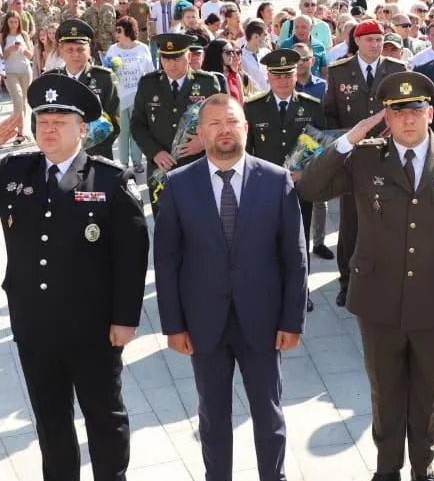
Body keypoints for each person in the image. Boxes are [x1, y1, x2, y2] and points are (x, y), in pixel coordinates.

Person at [0, 75, 149, 481]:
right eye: (42, 121)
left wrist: (125, 318)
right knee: (51, 421)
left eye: (59, 122)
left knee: (104, 418)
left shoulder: (109, 179)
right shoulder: (17, 171)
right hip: (35, 325)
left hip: (93, 328)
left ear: (82, 129)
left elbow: (132, 256)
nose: (48, 130)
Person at [300, 72, 434, 481]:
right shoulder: (364, 158)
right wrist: (348, 140)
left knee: (428, 388)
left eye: (415, 110)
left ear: (430, 112)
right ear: (384, 117)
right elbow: (309, 186)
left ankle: (424, 471)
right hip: (379, 296)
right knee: (385, 387)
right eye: (397, 112)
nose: (408, 119)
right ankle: (386, 471)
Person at [154, 93, 306, 481]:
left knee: (268, 409)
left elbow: (295, 258)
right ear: (200, 133)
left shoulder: (275, 180)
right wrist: (173, 325)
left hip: (262, 318)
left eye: (232, 121)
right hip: (205, 321)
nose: (224, 129)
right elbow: (166, 260)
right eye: (214, 123)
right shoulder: (179, 184)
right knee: (212, 411)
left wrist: (292, 319)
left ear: (246, 128)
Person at [321, 20, 408, 306]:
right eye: (369, 39)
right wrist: (344, 145)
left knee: (390, 220)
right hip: (353, 159)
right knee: (351, 224)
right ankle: (348, 282)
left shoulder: (397, 70)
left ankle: (387, 279)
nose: (375, 44)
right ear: (357, 41)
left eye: (379, 39)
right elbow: (330, 114)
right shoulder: (339, 70)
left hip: (388, 157)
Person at [243, 48, 324, 301]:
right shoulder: (253, 107)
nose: (283, 81)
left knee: (299, 242)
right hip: (264, 187)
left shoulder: (311, 106)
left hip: (300, 187)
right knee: (266, 241)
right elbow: (247, 150)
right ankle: (270, 288)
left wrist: (305, 172)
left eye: (287, 75)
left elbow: (321, 147)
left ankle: (301, 292)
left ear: (294, 75)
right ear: (268, 76)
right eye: (277, 76)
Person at [130, 33, 226, 210]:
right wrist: (155, 152)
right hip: (161, 168)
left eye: (177, 58)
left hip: (197, 166)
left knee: (198, 226)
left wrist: (204, 142)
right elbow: (137, 125)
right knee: (164, 225)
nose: (171, 64)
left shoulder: (206, 83)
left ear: (188, 56)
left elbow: (221, 122)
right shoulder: (148, 84)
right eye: (166, 59)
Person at [41, 19, 121, 158]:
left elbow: (114, 121)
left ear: (89, 50)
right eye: (70, 50)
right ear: (61, 51)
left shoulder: (104, 78)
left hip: (97, 156)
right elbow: (38, 121)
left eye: (80, 49)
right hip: (61, 157)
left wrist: (93, 149)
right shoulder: (50, 80)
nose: (75, 54)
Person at [104, 16, 156, 173]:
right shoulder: (113, 49)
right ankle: (124, 163)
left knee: (137, 130)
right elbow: (106, 72)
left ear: (128, 30)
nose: (116, 33)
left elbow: (150, 70)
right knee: (123, 130)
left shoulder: (142, 48)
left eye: (119, 30)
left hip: (139, 96)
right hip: (120, 96)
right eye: (116, 30)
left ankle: (138, 161)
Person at [0, 11, 35, 145]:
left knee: (24, 102)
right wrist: (10, 49)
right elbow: (0, 56)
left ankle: (22, 130)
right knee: (18, 99)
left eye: (16, 22)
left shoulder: (24, 35)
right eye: (11, 22)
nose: (14, 25)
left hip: (25, 71)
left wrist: (22, 50)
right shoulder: (2, 36)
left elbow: (31, 55)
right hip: (10, 72)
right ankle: (19, 133)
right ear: (6, 23)